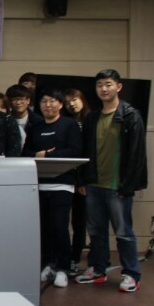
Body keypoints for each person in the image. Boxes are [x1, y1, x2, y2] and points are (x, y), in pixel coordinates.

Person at [76, 69, 147, 293]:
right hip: (94, 184)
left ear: (118, 87)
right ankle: (98, 270)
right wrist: (83, 181)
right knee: (96, 232)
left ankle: (131, 274)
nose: (104, 89)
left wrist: (129, 185)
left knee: (124, 233)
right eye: (100, 85)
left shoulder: (131, 115)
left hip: (119, 186)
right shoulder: (92, 117)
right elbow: (85, 152)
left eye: (108, 84)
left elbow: (137, 154)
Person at [23, 88, 83, 288]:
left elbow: (74, 151)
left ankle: (63, 268)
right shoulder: (35, 127)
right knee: (43, 228)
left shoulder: (69, 125)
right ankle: (46, 264)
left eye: (52, 101)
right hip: (38, 185)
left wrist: (46, 155)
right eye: (44, 101)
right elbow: (25, 152)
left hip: (62, 184)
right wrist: (38, 154)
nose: (48, 105)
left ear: (60, 104)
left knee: (59, 227)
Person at [65, 87, 92, 273]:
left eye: (74, 99)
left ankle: (75, 258)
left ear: (82, 99)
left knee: (80, 223)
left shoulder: (91, 120)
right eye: (68, 102)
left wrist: (82, 181)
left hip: (84, 179)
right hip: (66, 176)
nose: (72, 104)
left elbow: (89, 153)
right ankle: (64, 257)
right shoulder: (65, 122)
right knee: (61, 222)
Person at [6, 83, 43, 150]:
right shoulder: (5, 120)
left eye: (21, 99)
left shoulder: (38, 121)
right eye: (14, 99)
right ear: (9, 101)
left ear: (28, 100)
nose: (18, 103)